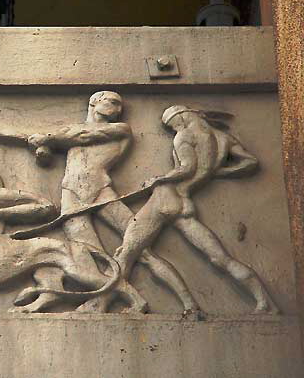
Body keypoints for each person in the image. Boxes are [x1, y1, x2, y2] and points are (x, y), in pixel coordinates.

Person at [27, 92, 199, 313]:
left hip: (102, 192)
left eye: (119, 105)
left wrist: (47, 137)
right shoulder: (67, 133)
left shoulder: (120, 130)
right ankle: (110, 301)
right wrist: (42, 150)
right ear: (94, 102)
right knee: (90, 256)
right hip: (71, 195)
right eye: (113, 102)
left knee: (143, 252)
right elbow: (60, 145)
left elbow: (83, 136)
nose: (118, 109)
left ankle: (189, 304)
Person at [114, 105, 277, 313]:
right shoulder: (223, 138)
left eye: (172, 125)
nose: (174, 129)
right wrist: (215, 173)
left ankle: (113, 303)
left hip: (164, 198)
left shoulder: (184, 136)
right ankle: (264, 302)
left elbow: (186, 167)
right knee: (220, 258)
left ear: (181, 117)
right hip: (184, 202)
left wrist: (158, 179)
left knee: (127, 251)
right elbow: (250, 162)